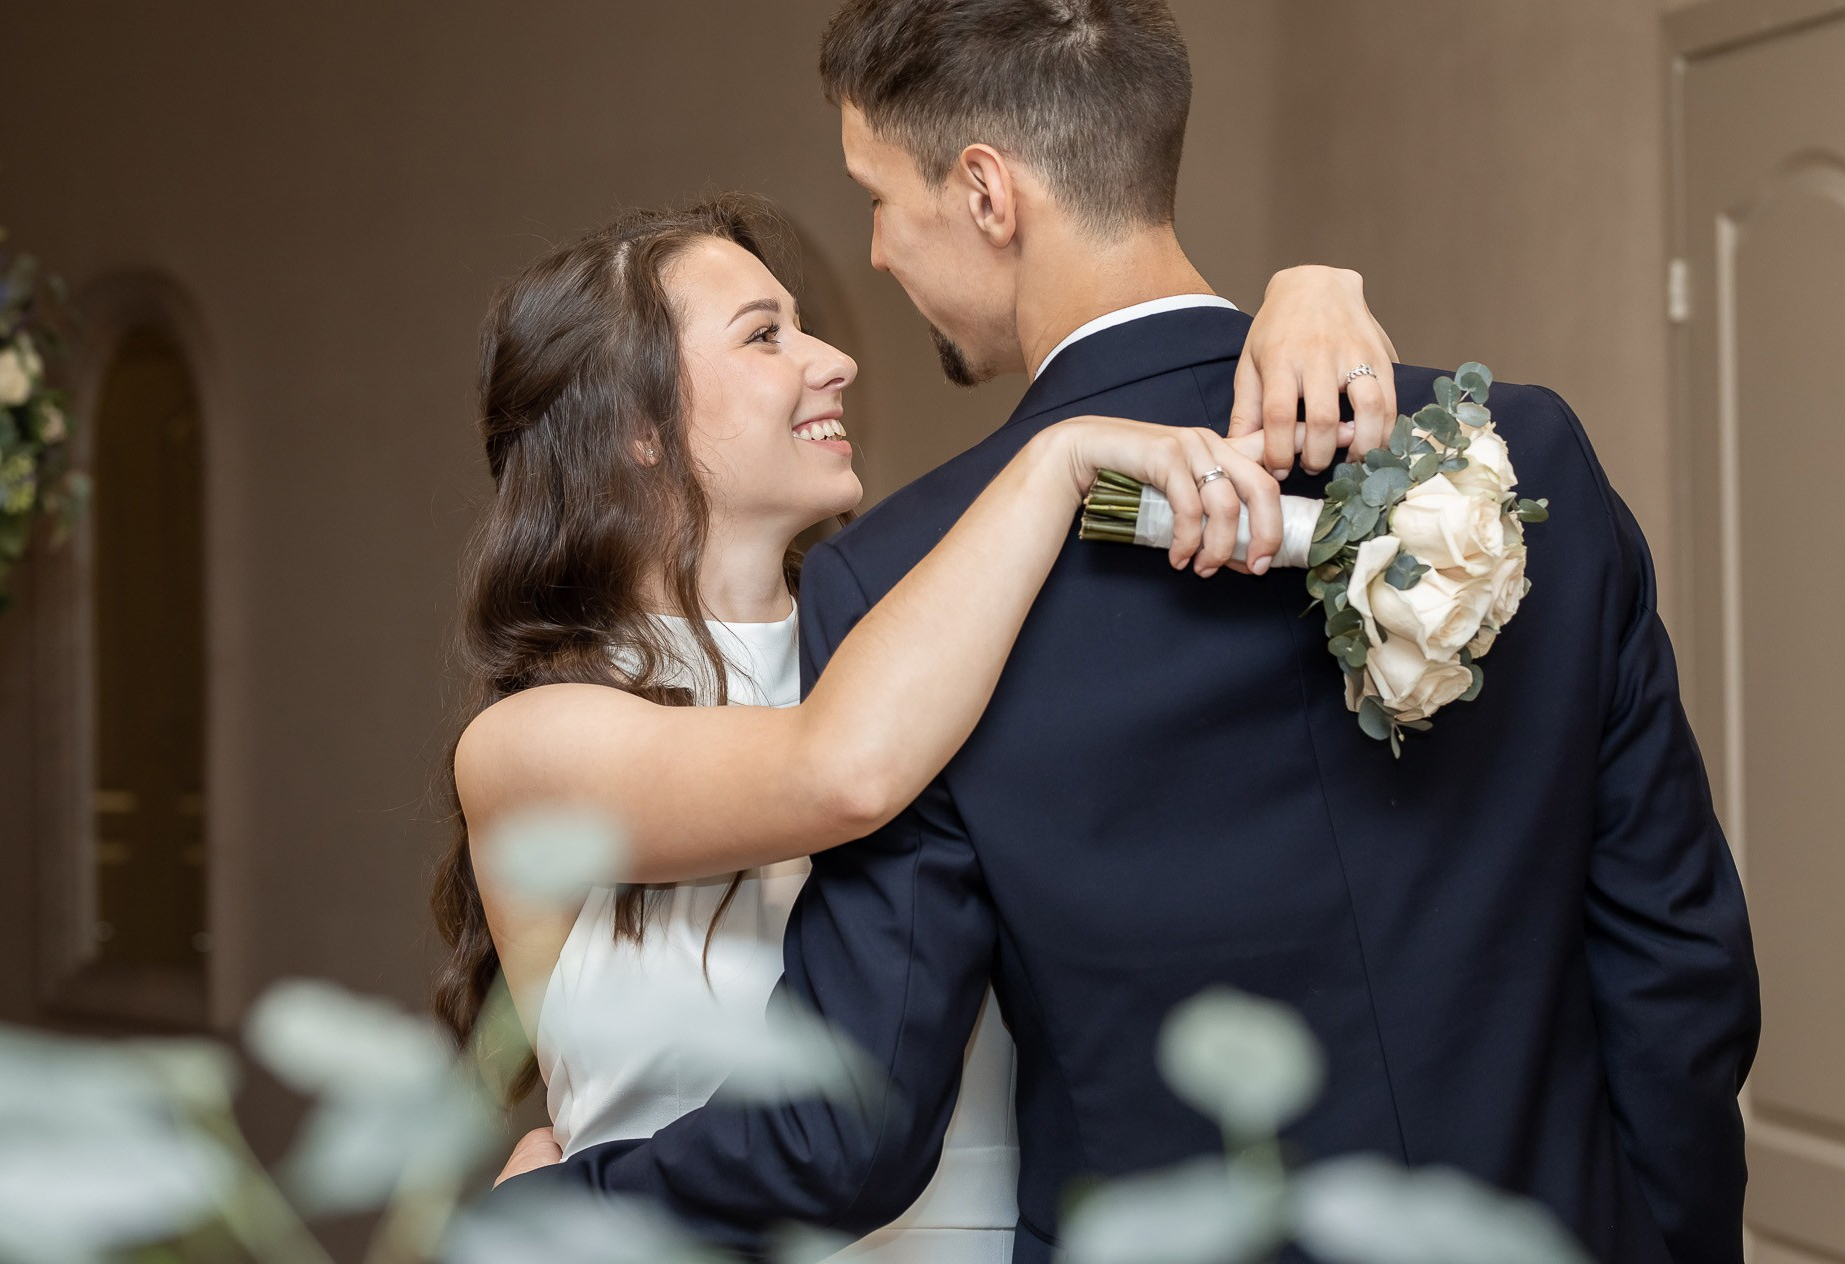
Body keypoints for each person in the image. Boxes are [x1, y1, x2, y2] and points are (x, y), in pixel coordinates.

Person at [495, 0, 1759, 1264]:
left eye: (880, 199)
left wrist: (543, 1212)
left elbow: (860, 1125)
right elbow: (1682, 973)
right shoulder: (1520, 458)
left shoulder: (909, 582)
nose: (873, 256)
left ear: (987, 196)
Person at [438, 196, 1399, 1262]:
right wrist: (1052, 457)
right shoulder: (530, 747)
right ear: (634, 426)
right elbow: (840, 770)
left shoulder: (934, 651)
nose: (838, 359)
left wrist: (1314, 291)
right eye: (766, 335)